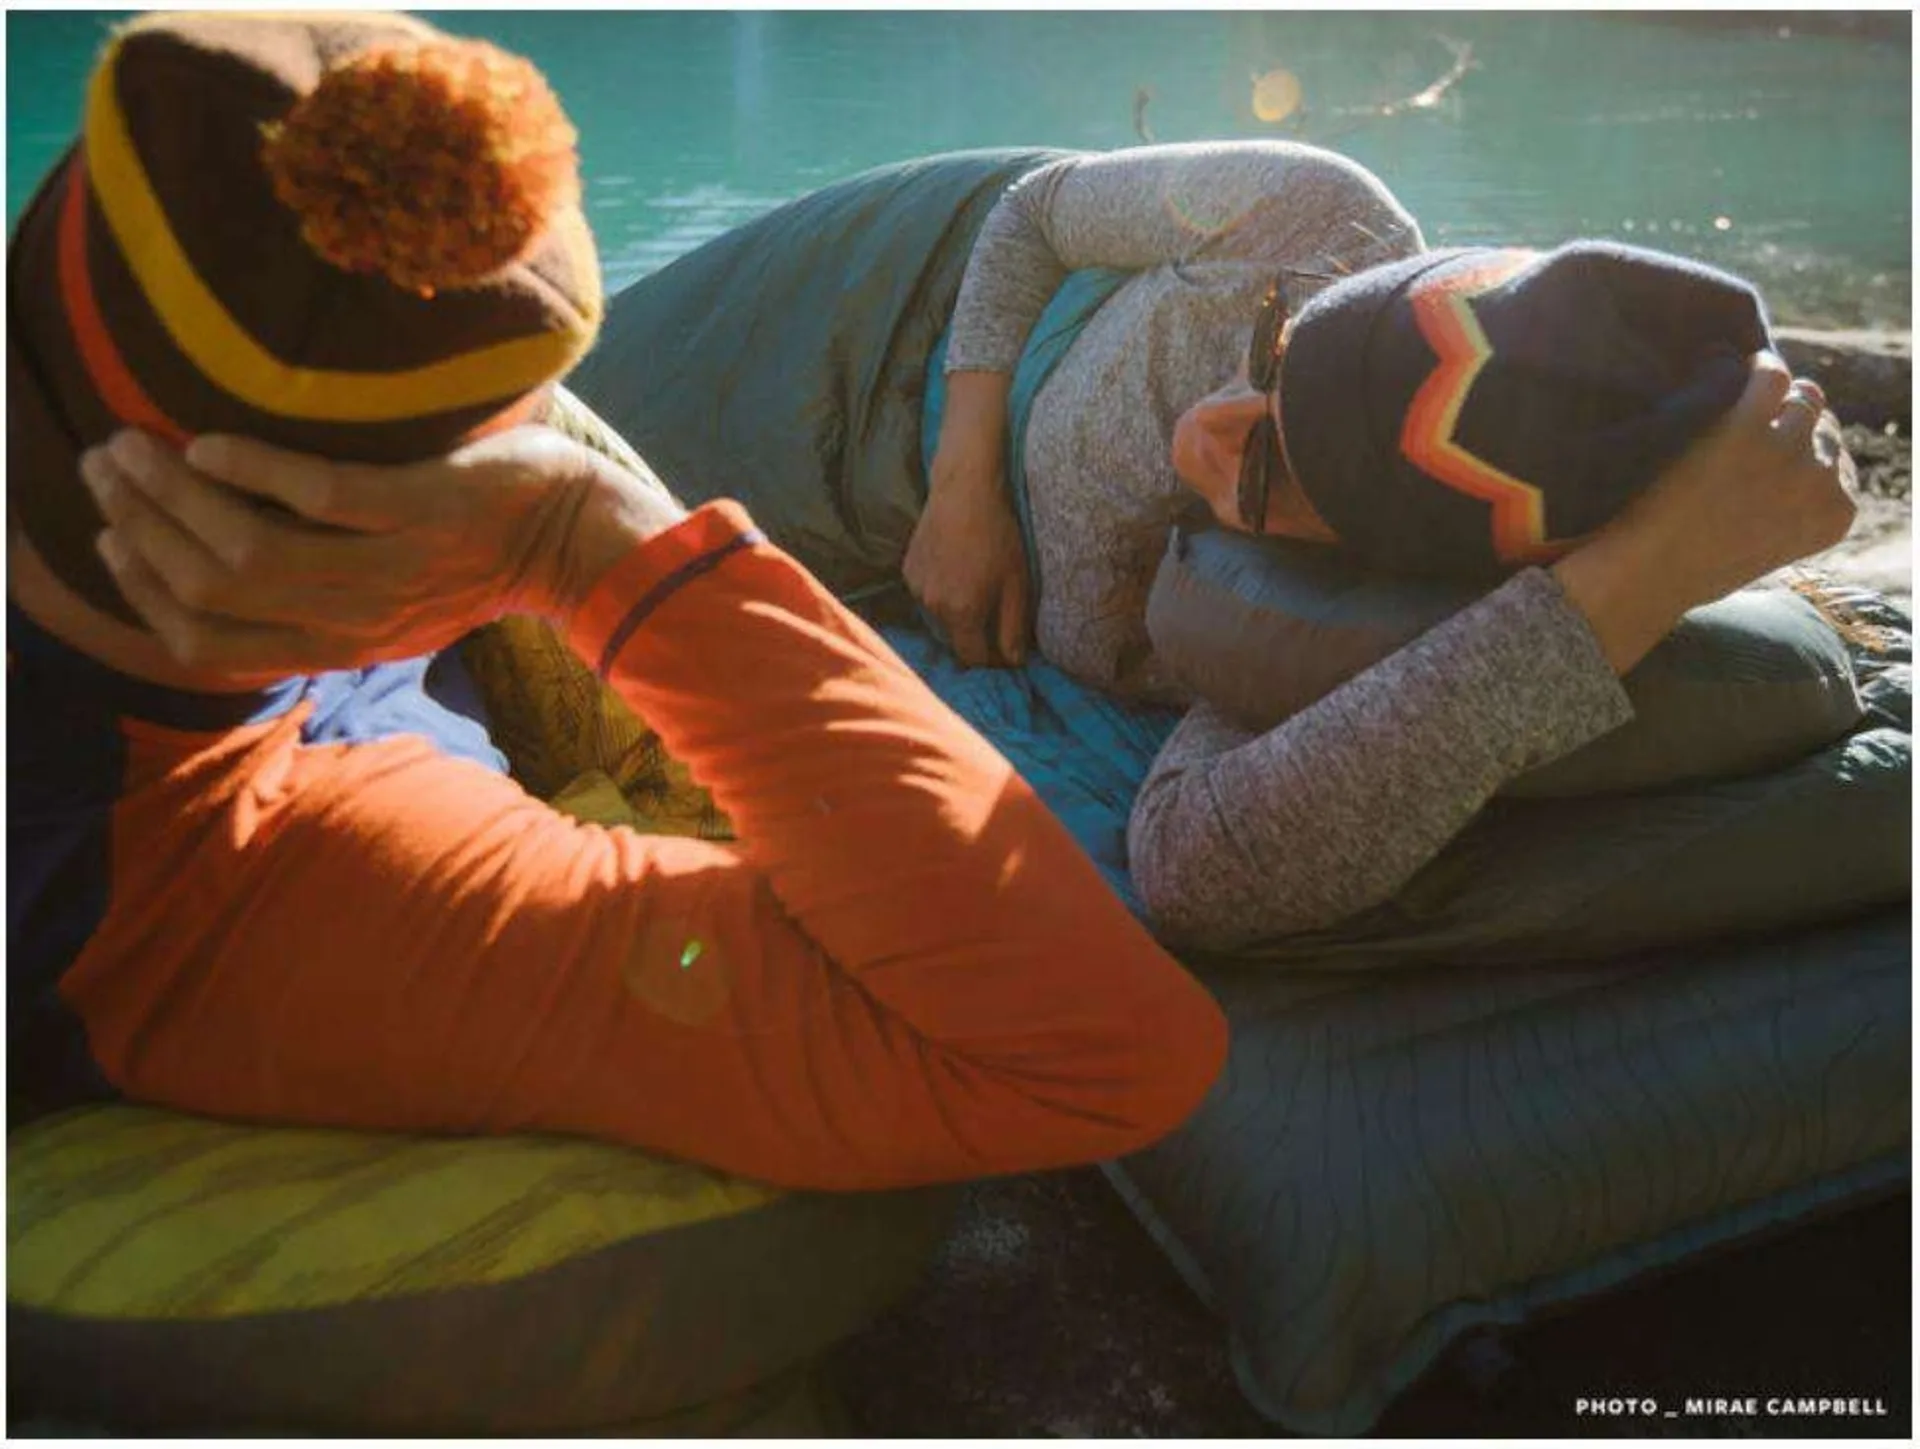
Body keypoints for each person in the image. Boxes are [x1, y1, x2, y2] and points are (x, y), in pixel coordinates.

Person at [81, 145, 1856, 959]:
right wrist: (964, 484)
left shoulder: (1338, 635)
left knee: (403, 589)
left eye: (1268, 479)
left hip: (849, 541)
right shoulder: (1317, 216)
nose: (1210, 432)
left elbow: (1205, 865)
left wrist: (1619, 596)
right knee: (378, 395)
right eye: (1266, 359)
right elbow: (1028, 216)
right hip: (892, 338)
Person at [7, 13, 1229, 1187]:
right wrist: (577, 539)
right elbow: (1107, 1057)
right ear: (338, 536)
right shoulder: (260, 887)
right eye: (489, 467)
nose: (535, 454)